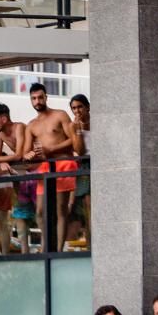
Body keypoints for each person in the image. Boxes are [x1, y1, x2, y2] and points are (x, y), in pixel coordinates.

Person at [23, 82, 79, 252]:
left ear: (46, 97)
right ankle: (49, 245)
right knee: (40, 212)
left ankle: (58, 250)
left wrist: (51, 149)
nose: (37, 101)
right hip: (45, 168)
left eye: (40, 97)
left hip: (64, 163)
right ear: (30, 100)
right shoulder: (31, 125)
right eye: (34, 98)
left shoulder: (60, 115)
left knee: (60, 210)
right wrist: (30, 155)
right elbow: (26, 152)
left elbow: (74, 140)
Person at [0, 103, 28, 254]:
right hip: (20, 174)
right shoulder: (0, 134)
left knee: (39, 213)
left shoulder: (19, 127)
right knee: (21, 213)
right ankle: (23, 252)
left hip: (34, 170)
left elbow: (19, 155)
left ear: (4, 119)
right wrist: (1, 160)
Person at [70, 93, 91, 248]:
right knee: (87, 208)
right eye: (74, 108)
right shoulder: (73, 126)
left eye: (80, 107)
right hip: (85, 165)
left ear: (87, 107)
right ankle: (90, 245)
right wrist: (78, 131)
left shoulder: (97, 120)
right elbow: (80, 150)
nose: (77, 111)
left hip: (101, 164)